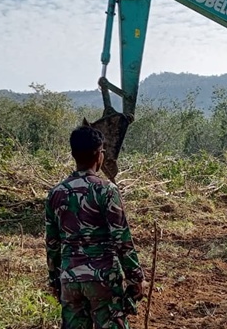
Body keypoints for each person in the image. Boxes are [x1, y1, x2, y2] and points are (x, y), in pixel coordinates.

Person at [45, 123, 146, 328]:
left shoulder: (56, 193)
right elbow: (122, 239)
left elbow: (52, 244)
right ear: (99, 155)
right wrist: (136, 278)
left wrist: (55, 280)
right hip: (103, 279)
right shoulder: (106, 190)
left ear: (73, 154)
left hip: (70, 279)